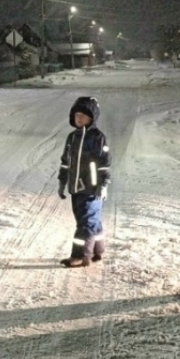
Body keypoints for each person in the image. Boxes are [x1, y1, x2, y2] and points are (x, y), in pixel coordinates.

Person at [57, 96, 111, 267]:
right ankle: (97, 249)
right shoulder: (72, 137)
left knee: (86, 222)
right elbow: (65, 162)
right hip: (76, 187)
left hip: (92, 188)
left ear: (92, 117)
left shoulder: (97, 137)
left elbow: (104, 162)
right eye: (77, 115)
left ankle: (80, 255)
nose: (79, 118)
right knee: (88, 220)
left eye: (84, 115)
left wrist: (103, 184)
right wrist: (62, 181)